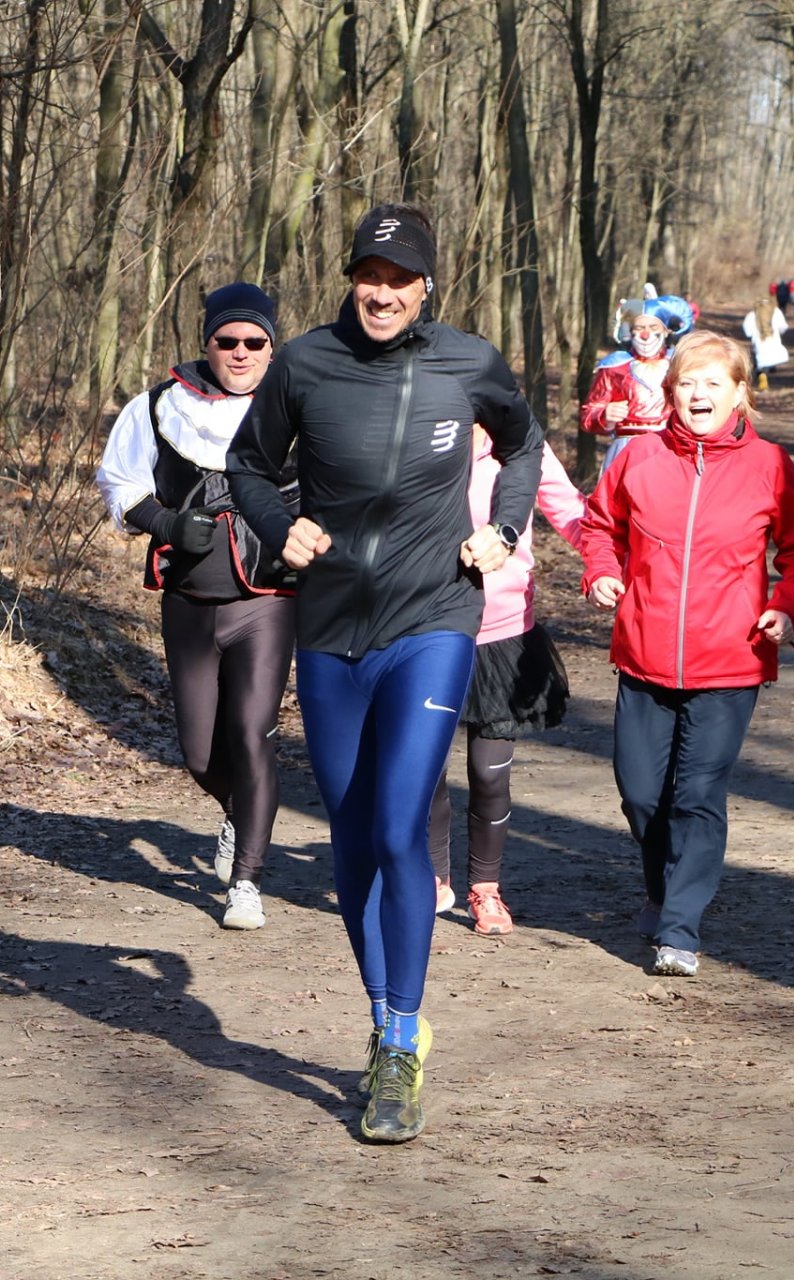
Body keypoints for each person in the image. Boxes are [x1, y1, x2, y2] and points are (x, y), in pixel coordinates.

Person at [228, 203, 544, 1143]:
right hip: (330, 632)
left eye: (400, 279)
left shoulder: (468, 362)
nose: (382, 292)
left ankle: (402, 1042)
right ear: (352, 280)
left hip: (434, 620)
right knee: (354, 836)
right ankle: (384, 1020)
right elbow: (248, 467)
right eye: (370, 274)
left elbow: (524, 444)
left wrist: (505, 528)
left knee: (403, 822)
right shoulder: (304, 364)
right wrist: (279, 527)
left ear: (425, 287)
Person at [576, 330, 794, 979]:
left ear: (740, 393)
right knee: (641, 794)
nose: (698, 394)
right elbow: (599, 527)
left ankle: (680, 930)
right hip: (644, 653)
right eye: (687, 383)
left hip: (730, 659)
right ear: (670, 392)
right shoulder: (638, 458)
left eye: (713, 383)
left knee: (697, 795)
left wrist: (786, 605)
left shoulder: (770, 465)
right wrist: (601, 570)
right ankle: (664, 891)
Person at [95, 282, 293, 932]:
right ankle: (239, 812)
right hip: (188, 600)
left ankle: (247, 883)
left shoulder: (298, 407)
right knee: (199, 755)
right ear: (207, 343)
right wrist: (167, 523)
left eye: (255, 341)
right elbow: (120, 481)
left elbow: (339, 486)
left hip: (267, 599)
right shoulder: (158, 405)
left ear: (272, 346)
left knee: (252, 734)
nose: (241, 352)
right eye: (227, 340)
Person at [427, 428, 585, 936]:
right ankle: (432, 877)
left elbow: (572, 512)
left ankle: (486, 888)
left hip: (502, 633)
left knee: (489, 773)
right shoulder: (419, 430)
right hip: (427, 629)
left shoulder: (519, 442)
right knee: (425, 768)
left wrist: (616, 559)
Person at [581, 295, 693, 473]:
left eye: (653, 327)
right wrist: (604, 415)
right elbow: (588, 415)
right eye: (639, 328)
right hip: (626, 452)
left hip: (671, 447)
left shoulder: (682, 364)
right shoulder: (614, 366)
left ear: (666, 331)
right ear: (630, 331)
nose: (646, 335)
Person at [742, 291, 791, 390]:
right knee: (770, 358)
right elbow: (783, 327)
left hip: (759, 343)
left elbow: (748, 332)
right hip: (774, 342)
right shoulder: (776, 312)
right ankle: (769, 370)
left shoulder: (752, 315)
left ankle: (762, 376)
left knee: (760, 361)